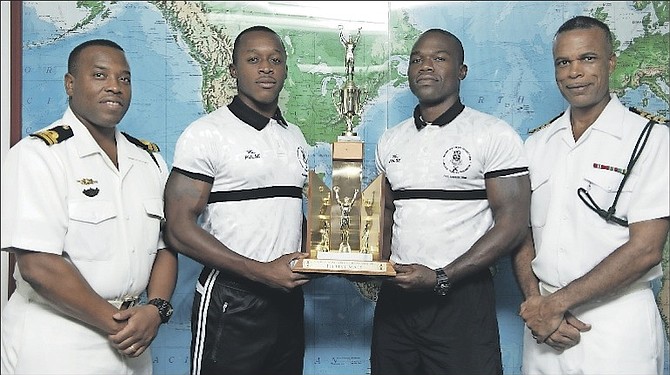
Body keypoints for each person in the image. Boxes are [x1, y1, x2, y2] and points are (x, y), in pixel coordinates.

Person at [0, 39, 178, 374]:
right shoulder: (39, 154)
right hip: (58, 339)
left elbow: (166, 246)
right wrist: (121, 326)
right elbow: (38, 266)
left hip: (135, 341)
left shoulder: (149, 159)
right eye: (100, 75)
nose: (114, 86)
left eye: (124, 79)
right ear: (70, 84)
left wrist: (155, 309)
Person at [513, 15, 670, 375]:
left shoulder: (650, 139)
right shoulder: (537, 143)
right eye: (563, 62)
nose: (574, 72)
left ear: (611, 62)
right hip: (546, 328)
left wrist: (557, 304)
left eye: (588, 58)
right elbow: (522, 236)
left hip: (616, 324)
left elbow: (646, 249)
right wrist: (538, 303)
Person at [372, 28, 531, 375]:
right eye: (417, 59)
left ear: (462, 70)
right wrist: (368, 264)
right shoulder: (390, 140)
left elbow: (513, 224)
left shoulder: (493, 134)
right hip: (397, 298)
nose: (425, 66)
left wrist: (443, 277)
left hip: (461, 296)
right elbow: (384, 213)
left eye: (439, 58)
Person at [163, 26, 312, 375]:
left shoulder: (295, 136)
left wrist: (320, 256)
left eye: (275, 60)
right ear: (232, 70)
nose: (266, 67)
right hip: (232, 298)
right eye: (253, 59)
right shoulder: (206, 133)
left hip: (287, 298)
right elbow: (178, 229)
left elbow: (290, 213)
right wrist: (261, 272)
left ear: (286, 69)